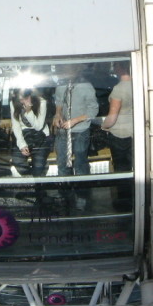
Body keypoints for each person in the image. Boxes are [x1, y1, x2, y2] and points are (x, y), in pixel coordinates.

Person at [53, 63, 99, 211]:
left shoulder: (86, 86)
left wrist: (75, 120)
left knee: (80, 164)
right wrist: (58, 114)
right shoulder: (61, 86)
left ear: (76, 70)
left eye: (68, 69)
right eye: (64, 70)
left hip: (80, 130)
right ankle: (65, 196)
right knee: (61, 163)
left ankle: (82, 196)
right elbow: (59, 103)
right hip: (63, 130)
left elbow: (93, 110)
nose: (65, 72)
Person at [101, 61, 134, 212]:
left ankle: (124, 202)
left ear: (120, 68)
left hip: (119, 133)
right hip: (135, 131)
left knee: (122, 168)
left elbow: (112, 117)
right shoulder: (137, 85)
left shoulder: (118, 89)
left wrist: (103, 126)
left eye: (115, 66)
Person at [9, 88, 51, 178]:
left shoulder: (41, 102)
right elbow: (16, 125)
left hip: (41, 135)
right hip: (24, 134)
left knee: (38, 166)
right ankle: (31, 179)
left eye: (26, 98)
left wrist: (29, 111)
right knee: (17, 160)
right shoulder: (14, 103)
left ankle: (38, 179)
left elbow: (38, 126)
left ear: (31, 95)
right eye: (20, 99)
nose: (23, 101)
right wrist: (21, 144)